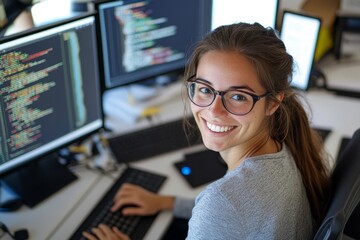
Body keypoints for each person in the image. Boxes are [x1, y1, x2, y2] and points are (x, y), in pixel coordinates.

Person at [83, 22, 330, 240]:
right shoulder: (281, 148)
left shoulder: (223, 202)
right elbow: (234, 215)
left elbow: (228, 210)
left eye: (238, 96)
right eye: (204, 89)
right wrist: (168, 203)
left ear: (273, 103)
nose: (214, 111)